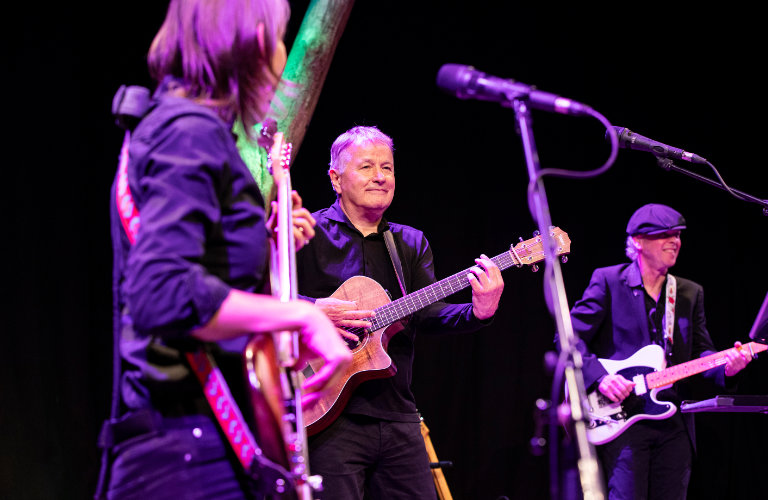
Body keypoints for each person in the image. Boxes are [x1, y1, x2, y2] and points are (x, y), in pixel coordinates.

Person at [96, 1, 351, 499]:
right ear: (258, 40)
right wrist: (299, 317)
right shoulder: (188, 131)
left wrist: (260, 240)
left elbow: (195, 285)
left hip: (194, 446)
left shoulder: (180, 126)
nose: (282, 58)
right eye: (280, 40)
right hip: (186, 458)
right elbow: (162, 293)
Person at [294, 125, 505, 499]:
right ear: (335, 178)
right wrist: (313, 309)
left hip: (397, 414)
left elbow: (428, 314)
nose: (380, 176)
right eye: (367, 167)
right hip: (325, 414)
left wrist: (478, 311)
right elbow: (262, 298)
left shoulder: (410, 241)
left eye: (387, 168)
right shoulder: (306, 233)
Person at [568, 203, 752, 499]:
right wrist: (601, 377)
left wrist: (728, 366)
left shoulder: (689, 292)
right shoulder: (608, 281)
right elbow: (568, 338)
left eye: (678, 235)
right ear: (637, 242)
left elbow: (703, 352)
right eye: (664, 234)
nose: (674, 241)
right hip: (623, 418)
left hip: (673, 420)